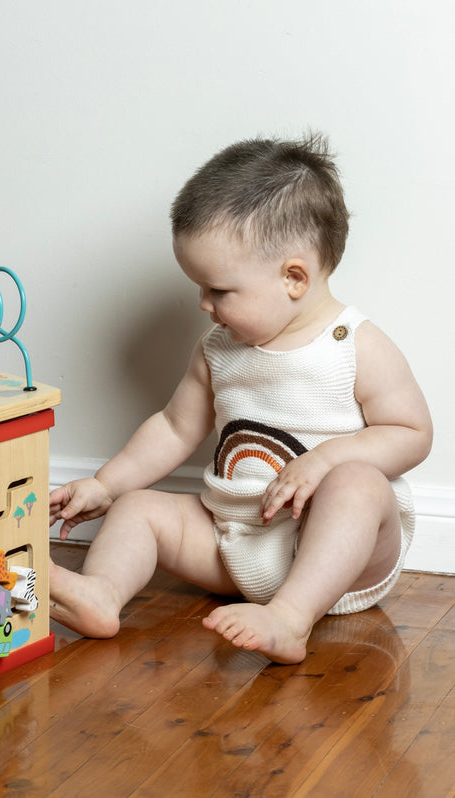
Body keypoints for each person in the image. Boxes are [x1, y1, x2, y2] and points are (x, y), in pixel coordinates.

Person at [49, 134, 433, 664]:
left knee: (359, 485)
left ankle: (291, 619)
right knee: (138, 508)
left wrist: (326, 459)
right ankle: (101, 595)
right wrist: (104, 483)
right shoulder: (219, 349)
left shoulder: (355, 345)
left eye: (219, 290)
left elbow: (412, 434)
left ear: (294, 277)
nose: (203, 304)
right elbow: (174, 427)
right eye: (199, 289)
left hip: (338, 559)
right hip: (235, 541)